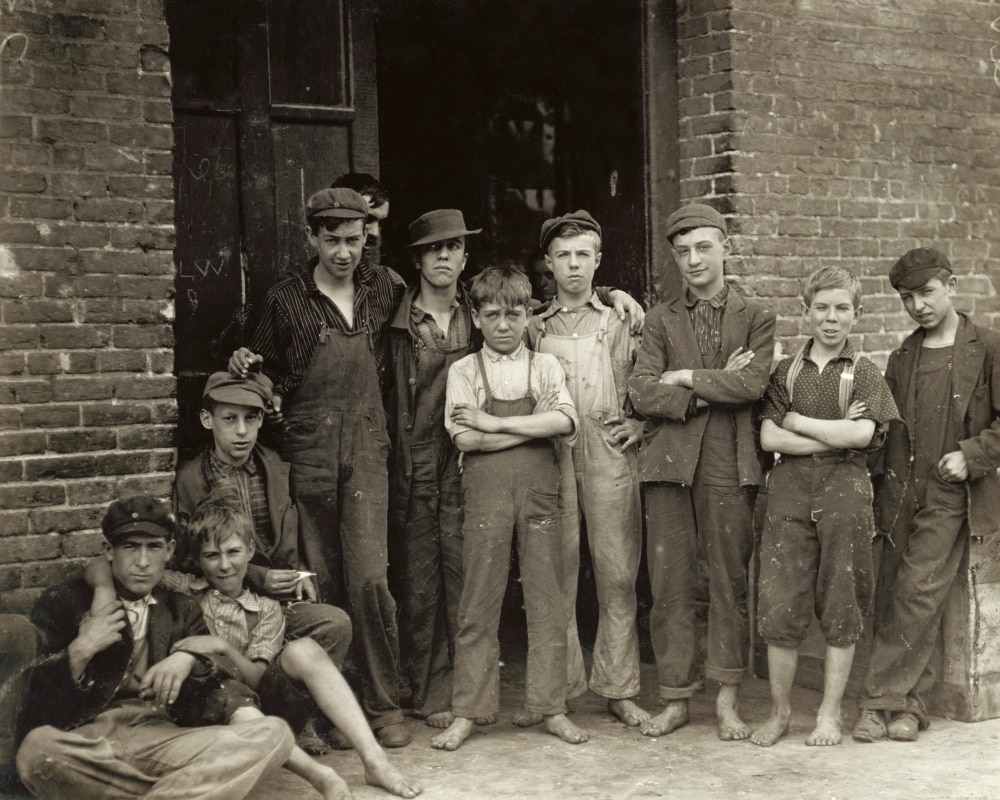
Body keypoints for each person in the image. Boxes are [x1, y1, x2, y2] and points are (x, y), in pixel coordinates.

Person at [88, 492, 423, 800]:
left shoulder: (266, 608)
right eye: (211, 556)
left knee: (304, 650)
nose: (224, 565)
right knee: (223, 693)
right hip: (206, 706)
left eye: (234, 552)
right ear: (196, 559)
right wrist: (104, 589)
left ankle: (375, 762)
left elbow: (257, 680)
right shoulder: (183, 587)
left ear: (250, 551)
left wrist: (219, 646)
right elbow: (103, 563)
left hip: (261, 705)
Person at [228, 186, 410, 747]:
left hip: (366, 448)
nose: (343, 252)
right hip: (307, 454)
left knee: (371, 579)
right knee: (321, 585)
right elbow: (259, 374)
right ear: (311, 237)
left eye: (353, 241)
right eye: (331, 241)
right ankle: (331, 709)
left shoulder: (386, 286)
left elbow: (443, 305)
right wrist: (243, 364)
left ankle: (383, 705)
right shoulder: (285, 299)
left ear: (366, 238)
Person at [15, 495, 294, 800]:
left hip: (161, 740)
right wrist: (80, 650)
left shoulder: (181, 607)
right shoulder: (65, 602)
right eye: (130, 547)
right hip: (88, 741)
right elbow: (30, 701)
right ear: (109, 550)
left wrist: (190, 658)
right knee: (35, 749)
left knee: (274, 734)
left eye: (154, 547)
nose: (143, 562)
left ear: (170, 550)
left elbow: (223, 681)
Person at [628, 203, 775, 740]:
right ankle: (675, 698)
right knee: (669, 585)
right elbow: (643, 391)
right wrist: (713, 386)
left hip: (729, 464)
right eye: (682, 251)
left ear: (725, 248)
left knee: (727, 582)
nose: (693, 260)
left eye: (703, 247)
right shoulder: (658, 318)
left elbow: (754, 385)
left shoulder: (757, 315)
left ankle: (727, 700)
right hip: (669, 464)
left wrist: (686, 375)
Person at [431, 266, 587, 751]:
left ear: (528, 316)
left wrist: (491, 426)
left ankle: (551, 707)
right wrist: (520, 427)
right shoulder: (462, 371)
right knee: (478, 600)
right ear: (475, 318)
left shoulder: (545, 366)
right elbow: (463, 437)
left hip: (540, 495)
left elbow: (564, 422)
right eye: (493, 315)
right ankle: (469, 712)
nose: (504, 324)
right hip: (486, 496)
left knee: (547, 600)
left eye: (514, 314)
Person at [853, 248, 1000, 743]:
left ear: (952, 286)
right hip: (899, 489)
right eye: (906, 297)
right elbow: (889, 430)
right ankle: (909, 708)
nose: (918, 305)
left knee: (917, 591)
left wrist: (973, 453)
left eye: (927, 293)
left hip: (950, 492)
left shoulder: (990, 348)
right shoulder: (903, 356)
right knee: (894, 589)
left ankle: (876, 702)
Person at [750, 267, 898, 748]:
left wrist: (797, 421)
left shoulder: (865, 371)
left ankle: (829, 715)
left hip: (845, 490)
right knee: (779, 603)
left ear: (857, 313)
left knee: (842, 601)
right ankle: (779, 714)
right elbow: (768, 435)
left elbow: (862, 435)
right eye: (821, 308)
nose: (831, 318)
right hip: (789, 491)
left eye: (841, 309)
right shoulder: (785, 371)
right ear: (805, 309)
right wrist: (823, 430)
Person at [174, 369, 354, 751]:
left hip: (277, 599)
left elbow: (290, 535)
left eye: (251, 419)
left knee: (333, 623)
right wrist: (258, 578)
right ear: (207, 420)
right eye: (229, 419)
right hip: (231, 600)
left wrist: (300, 573)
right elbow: (191, 557)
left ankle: (299, 718)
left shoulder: (273, 466)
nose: (241, 432)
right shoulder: (191, 479)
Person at [525, 210, 646, 728]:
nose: (573, 265)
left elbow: (648, 378)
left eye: (583, 255)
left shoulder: (622, 319)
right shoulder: (532, 326)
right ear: (548, 263)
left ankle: (619, 688)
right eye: (563, 256)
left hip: (609, 451)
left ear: (598, 261)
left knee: (617, 573)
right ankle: (560, 691)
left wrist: (640, 424)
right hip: (551, 452)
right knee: (558, 574)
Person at [330, 172, 391, 268]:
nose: (375, 233)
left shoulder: (387, 280)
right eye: (368, 219)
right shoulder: (302, 281)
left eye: (381, 223)